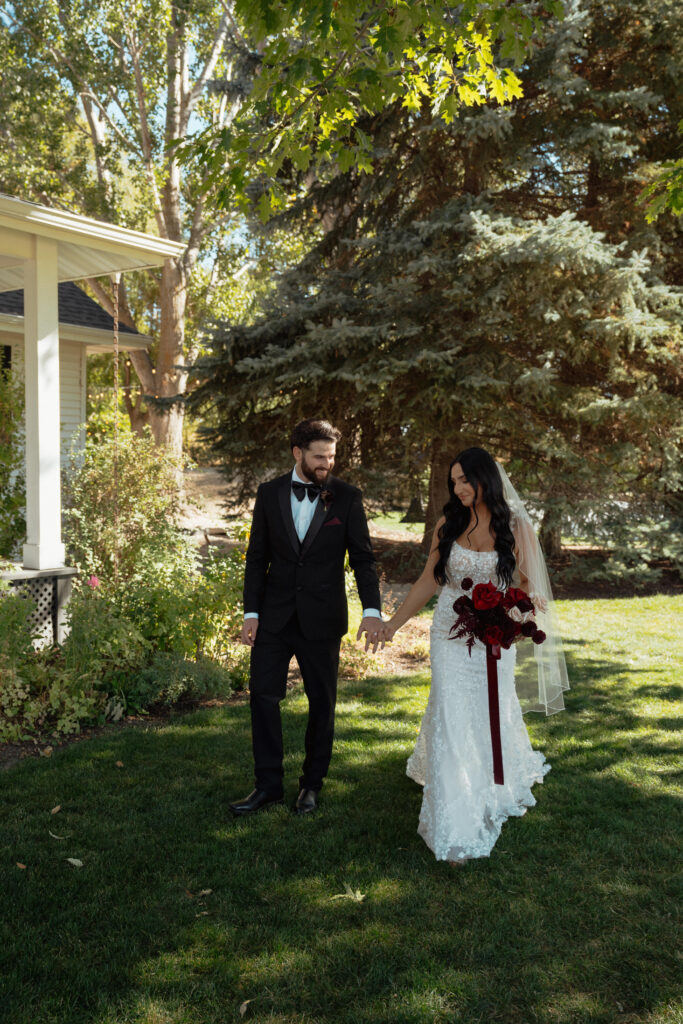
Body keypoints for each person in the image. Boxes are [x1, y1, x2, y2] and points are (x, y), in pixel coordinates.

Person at [384, 447, 569, 863]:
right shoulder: (449, 523)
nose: (459, 488)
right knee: (451, 709)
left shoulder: (515, 526)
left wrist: (512, 617)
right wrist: (393, 625)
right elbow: (428, 580)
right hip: (448, 634)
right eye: (454, 482)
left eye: (465, 480)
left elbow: (526, 588)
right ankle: (456, 820)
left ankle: (492, 778)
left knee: (490, 709)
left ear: (486, 479)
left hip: (493, 640)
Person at [230, 418, 383, 818]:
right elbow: (257, 558)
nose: (326, 464)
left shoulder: (346, 497)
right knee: (263, 698)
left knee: (322, 704)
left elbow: (363, 559)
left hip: (322, 619)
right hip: (274, 619)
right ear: (297, 453)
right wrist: (251, 612)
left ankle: (311, 786)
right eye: (319, 456)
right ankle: (267, 786)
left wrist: (371, 611)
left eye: (331, 456)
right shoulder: (269, 494)